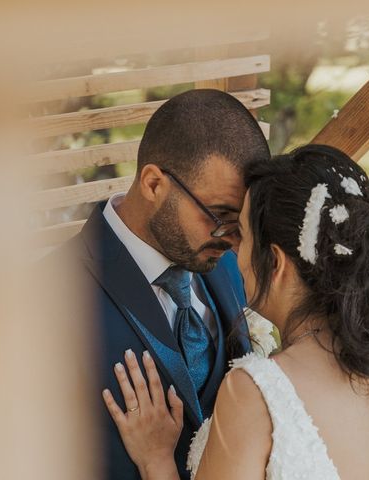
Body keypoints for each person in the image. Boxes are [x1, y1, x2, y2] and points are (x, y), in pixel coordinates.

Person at [101, 144, 369, 479]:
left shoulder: (255, 395)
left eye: (241, 236)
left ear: (275, 262)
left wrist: (156, 461)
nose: (231, 251)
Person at [53, 89, 270, 479]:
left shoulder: (230, 264)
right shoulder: (49, 296)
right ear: (154, 184)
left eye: (242, 223)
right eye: (219, 216)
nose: (235, 241)